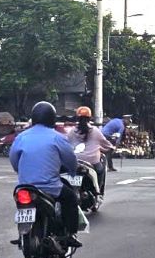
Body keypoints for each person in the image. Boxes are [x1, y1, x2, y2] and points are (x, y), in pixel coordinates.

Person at [10, 101, 82, 248]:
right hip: (50, 187)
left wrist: (21, 171)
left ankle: (23, 235)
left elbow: (13, 159)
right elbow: (70, 160)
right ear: (52, 118)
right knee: (70, 198)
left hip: (25, 187)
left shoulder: (21, 137)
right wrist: (73, 171)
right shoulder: (57, 137)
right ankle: (70, 235)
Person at [67, 106, 113, 198]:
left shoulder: (72, 131)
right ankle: (98, 192)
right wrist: (112, 147)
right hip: (92, 162)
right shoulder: (95, 131)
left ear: (77, 117)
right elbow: (107, 145)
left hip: (74, 161)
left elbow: (66, 145)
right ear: (90, 118)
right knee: (100, 170)